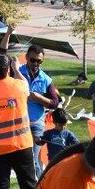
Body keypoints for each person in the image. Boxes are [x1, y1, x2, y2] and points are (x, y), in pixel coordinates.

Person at [0, 52, 36, 189]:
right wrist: (16, 69)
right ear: (8, 69)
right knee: (29, 184)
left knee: (1, 186)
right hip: (21, 144)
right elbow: (26, 85)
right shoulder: (21, 86)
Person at [19, 45, 59, 178]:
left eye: (39, 61)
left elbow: (55, 103)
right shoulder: (17, 73)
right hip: (19, 122)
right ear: (26, 58)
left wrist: (39, 98)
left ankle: (39, 184)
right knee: (22, 156)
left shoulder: (46, 79)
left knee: (33, 156)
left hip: (36, 124)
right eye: (33, 60)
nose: (35, 63)